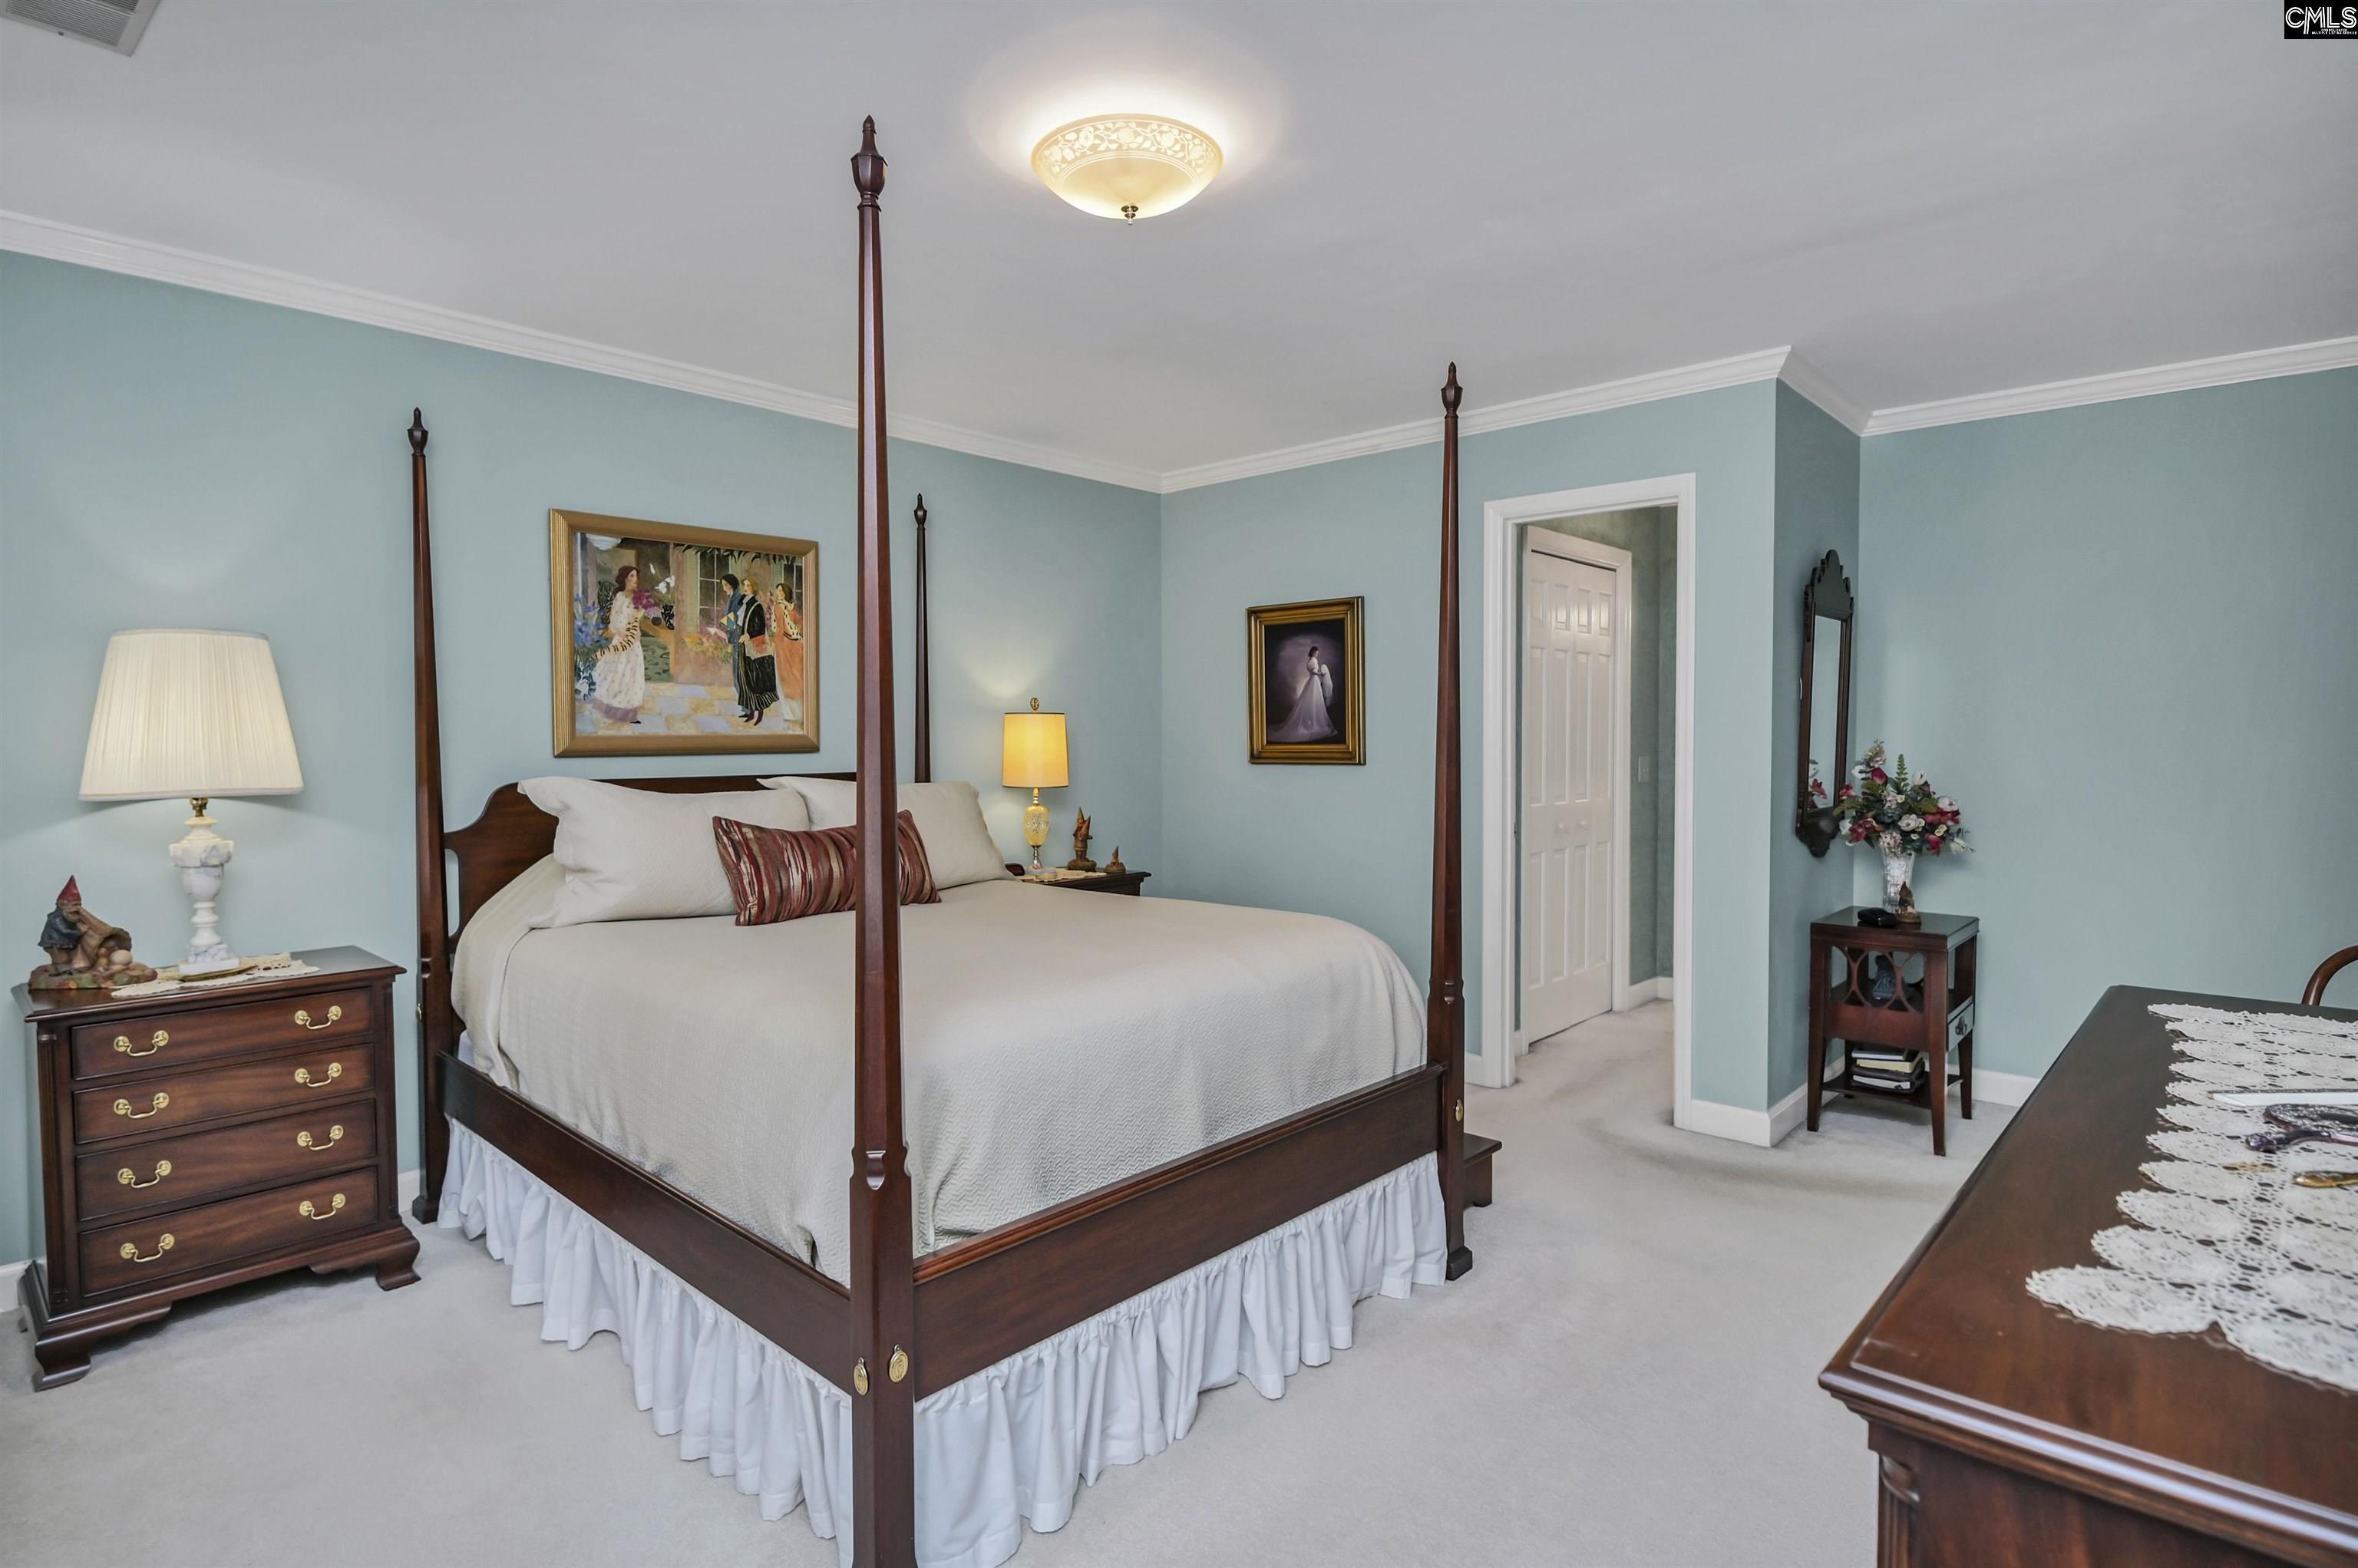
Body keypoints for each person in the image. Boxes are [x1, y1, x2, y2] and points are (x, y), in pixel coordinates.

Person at [590, 564, 649, 724]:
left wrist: (635, 630)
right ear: (625, 578)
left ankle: (628, 711)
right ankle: (610, 706)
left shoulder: (639, 597)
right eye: (632, 576)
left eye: (636, 576)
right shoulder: (619, 596)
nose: (635, 579)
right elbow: (613, 618)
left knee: (631, 674)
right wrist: (619, 631)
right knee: (615, 672)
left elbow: (636, 618)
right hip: (620, 638)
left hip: (632, 641)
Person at [1267, 641, 1339, 742]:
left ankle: (1313, 721)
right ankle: (1312, 723)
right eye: (1316, 652)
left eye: (1317, 653)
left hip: (1313, 681)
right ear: (1313, 652)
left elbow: (1312, 671)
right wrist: (1320, 673)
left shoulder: (1312, 660)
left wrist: (1318, 673)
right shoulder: (1312, 661)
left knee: (1314, 701)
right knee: (1312, 701)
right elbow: (1313, 672)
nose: (1317, 654)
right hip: (1313, 681)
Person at [737, 570, 780, 725]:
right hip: (744, 647)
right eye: (744, 585)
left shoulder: (756, 606)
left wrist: (748, 635)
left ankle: (759, 714)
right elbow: (739, 623)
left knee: (755, 680)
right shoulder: (744, 604)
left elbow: (760, 628)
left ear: (753, 588)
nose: (745, 588)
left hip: (753, 648)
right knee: (744, 679)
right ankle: (750, 713)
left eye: (748, 585)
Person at [719, 572, 757, 721]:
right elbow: (731, 620)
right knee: (738, 677)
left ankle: (750, 709)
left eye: (725, 585)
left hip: (740, 640)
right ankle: (747, 709)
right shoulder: (733, 598)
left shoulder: (739, 598)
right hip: (735, 639)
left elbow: (740, 621)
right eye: (723, 585)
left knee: (741, 677)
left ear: (732, 584)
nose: (724, 588)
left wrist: (730, 630)